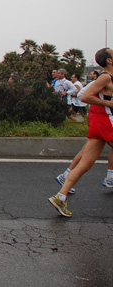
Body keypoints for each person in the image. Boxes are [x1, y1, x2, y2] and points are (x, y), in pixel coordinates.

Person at [49, 48, 113, 217]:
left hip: (100, 122)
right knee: (85, 161)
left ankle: (60, 196)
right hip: (106, 121)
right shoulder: (106, 77)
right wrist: (110, 104)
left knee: (86, 163)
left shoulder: (106, 77)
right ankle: (110, 177)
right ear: (109, 60)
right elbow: (85, 97)